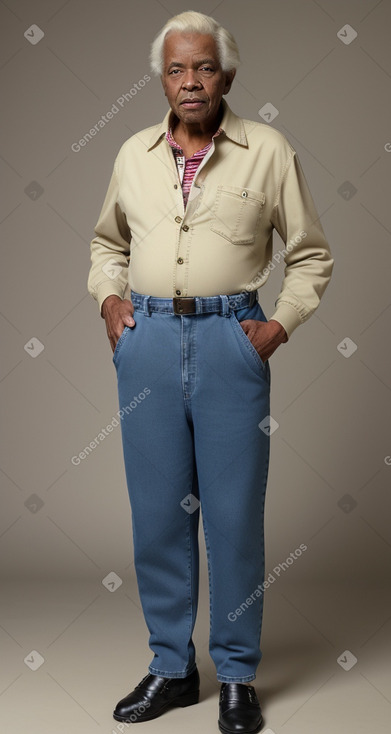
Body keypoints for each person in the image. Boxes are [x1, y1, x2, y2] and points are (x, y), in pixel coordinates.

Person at [87, 10, 334, 734]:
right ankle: (171, 670)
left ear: (225, 75)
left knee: (232, 520)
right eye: (175, 69)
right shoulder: (132, 154)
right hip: (149, 342)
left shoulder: (268, 151)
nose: (189, 82)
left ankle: (234, 676)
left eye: (202, 68)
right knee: (158, 519)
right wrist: (109, 300)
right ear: (160, 78)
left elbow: (311, 253)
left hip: (231, 340)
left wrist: (277, 326)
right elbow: (107, 244)